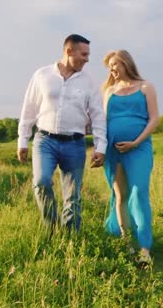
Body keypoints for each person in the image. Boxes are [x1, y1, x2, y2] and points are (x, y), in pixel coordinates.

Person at [17, 34, 107, 232]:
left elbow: (98, 115)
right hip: (45, 140)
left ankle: (70, 237)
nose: (87, 59)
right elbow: (29, 109)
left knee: (72, 194)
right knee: (41, 181)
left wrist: (101, 146)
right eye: (83, 54)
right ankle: (51, 229)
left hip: (74, 143)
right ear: (69, 51)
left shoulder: (89, 81)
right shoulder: (42, 75)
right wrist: (22, 140)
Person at [102, 50, 159, 265]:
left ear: (125, 63)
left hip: (139, 148)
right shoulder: (109, 92)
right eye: (109, 67)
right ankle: (127, 244)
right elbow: (104, 122)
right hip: (113, 150)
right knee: (120, 195)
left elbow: (154, 120)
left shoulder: (145, 87)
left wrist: (136, 142)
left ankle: (144, 248)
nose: (112, 70)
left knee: (139, 191)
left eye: (114, 65)